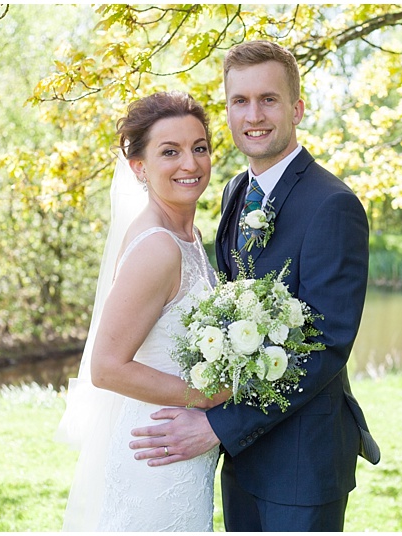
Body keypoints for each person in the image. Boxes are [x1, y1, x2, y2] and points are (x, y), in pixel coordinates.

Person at [128, 40, 380, 532]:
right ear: (227, 111)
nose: (254, 115)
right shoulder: (235, 191)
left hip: (301, 462)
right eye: (239, 101)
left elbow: (326, 348)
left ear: (297, 108)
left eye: (268, 99)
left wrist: (216, 424)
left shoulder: (333, 205)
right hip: (242, 458)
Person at [55, 91, 229, 531]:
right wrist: (204, 397)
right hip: (157, 447)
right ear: (139, 167)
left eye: (199, 147)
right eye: (169, 152)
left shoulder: (187, 234)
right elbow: (107, 368)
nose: (190, 164)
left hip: (180, 445)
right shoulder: (157, 246)